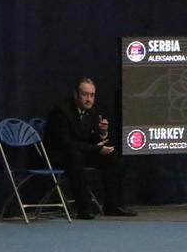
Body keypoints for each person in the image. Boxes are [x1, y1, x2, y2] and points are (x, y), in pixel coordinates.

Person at [44, 76, 137, 220]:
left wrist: (102, 134)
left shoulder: (91, 111)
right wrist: (96, 149)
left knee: (112, 155)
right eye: (85, 94)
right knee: (75, 156)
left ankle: (112, 205)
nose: (89, 99)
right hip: (60, 155)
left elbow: (90, 139)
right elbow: (66, 143)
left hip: (82, 152)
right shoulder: (61, 112)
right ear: (76, 94)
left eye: (92, 95)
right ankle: (84, 208)